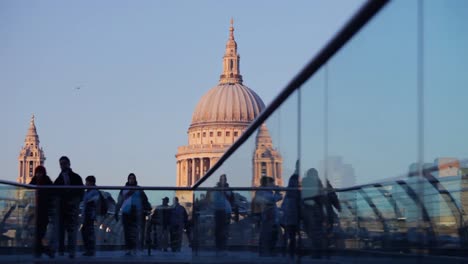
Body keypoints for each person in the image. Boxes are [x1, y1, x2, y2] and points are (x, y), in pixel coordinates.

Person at [52, 156, 84, 259]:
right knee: (61, 230)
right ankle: (62, 250)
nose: (63, 166)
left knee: (71, 230)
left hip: (71, 208)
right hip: (62, 208)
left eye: (64, 163)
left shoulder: (75, 177)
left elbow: (81, 192)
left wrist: (74, 201)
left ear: (69, 164)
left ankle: (70, 251)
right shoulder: (59, 180)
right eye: (61, 164)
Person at [115, 173, 151, 256]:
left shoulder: (139, 189)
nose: (131, 180)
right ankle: (129, 248)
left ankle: (133, 248)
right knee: (127, 232)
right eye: (130, 178)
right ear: (128, 179)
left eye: (133, 178)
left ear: (135, 179)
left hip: (136, 212)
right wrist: (116, 211)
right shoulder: (124, 189)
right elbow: (119, 201)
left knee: (135, 232)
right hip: (126, 212)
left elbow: (145, 200)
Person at [29, 165, 54, 258]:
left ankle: (43, 251)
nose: (38, 174)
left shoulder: (47, 182)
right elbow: (28, 191)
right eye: (37, 173)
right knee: (37, 234)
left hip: (43, 212)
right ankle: (45, 251)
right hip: (35, 212)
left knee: (39, 234)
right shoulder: (34, 180)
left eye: (40, 173)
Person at [301, 168, 325, 258]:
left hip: (307, 208)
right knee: (317, 231)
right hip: (316, 208)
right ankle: (317, 252)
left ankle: (314, 251)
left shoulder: (304, 181)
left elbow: (303, 194)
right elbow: (321, 194)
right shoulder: (318, 182)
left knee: (310, 230)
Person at [256, 176, 283, 256]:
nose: (274, 185)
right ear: (267, 184)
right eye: (272, 183)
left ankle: (269, 251)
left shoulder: (264, 192)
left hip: (270, 217)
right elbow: (275, 198)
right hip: (268, 217)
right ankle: (267, 252)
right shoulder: (263, 192)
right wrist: (277, 191)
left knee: (272, 234)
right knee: (268, 235)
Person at [209, 174, 234, 255]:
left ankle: (223, 246)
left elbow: (231, 198)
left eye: (224, 179)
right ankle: (218, 246)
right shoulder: (216, 189)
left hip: (226, 211)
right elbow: (212, 199)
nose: (223, 181)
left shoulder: (228, 189)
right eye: (222, 179)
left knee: (225, 230)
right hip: (218, 210)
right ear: (220, 180)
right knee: (218, 230)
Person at [81, 175, 100, 256]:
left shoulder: (94, 191)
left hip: (90, 215)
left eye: (87, 182)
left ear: (91, 182)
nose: (86, 184)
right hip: (87, 214)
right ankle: (89, 250)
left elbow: (92, 202)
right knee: (86, 231)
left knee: (88, 232)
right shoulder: (88, 192)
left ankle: (90, 250)